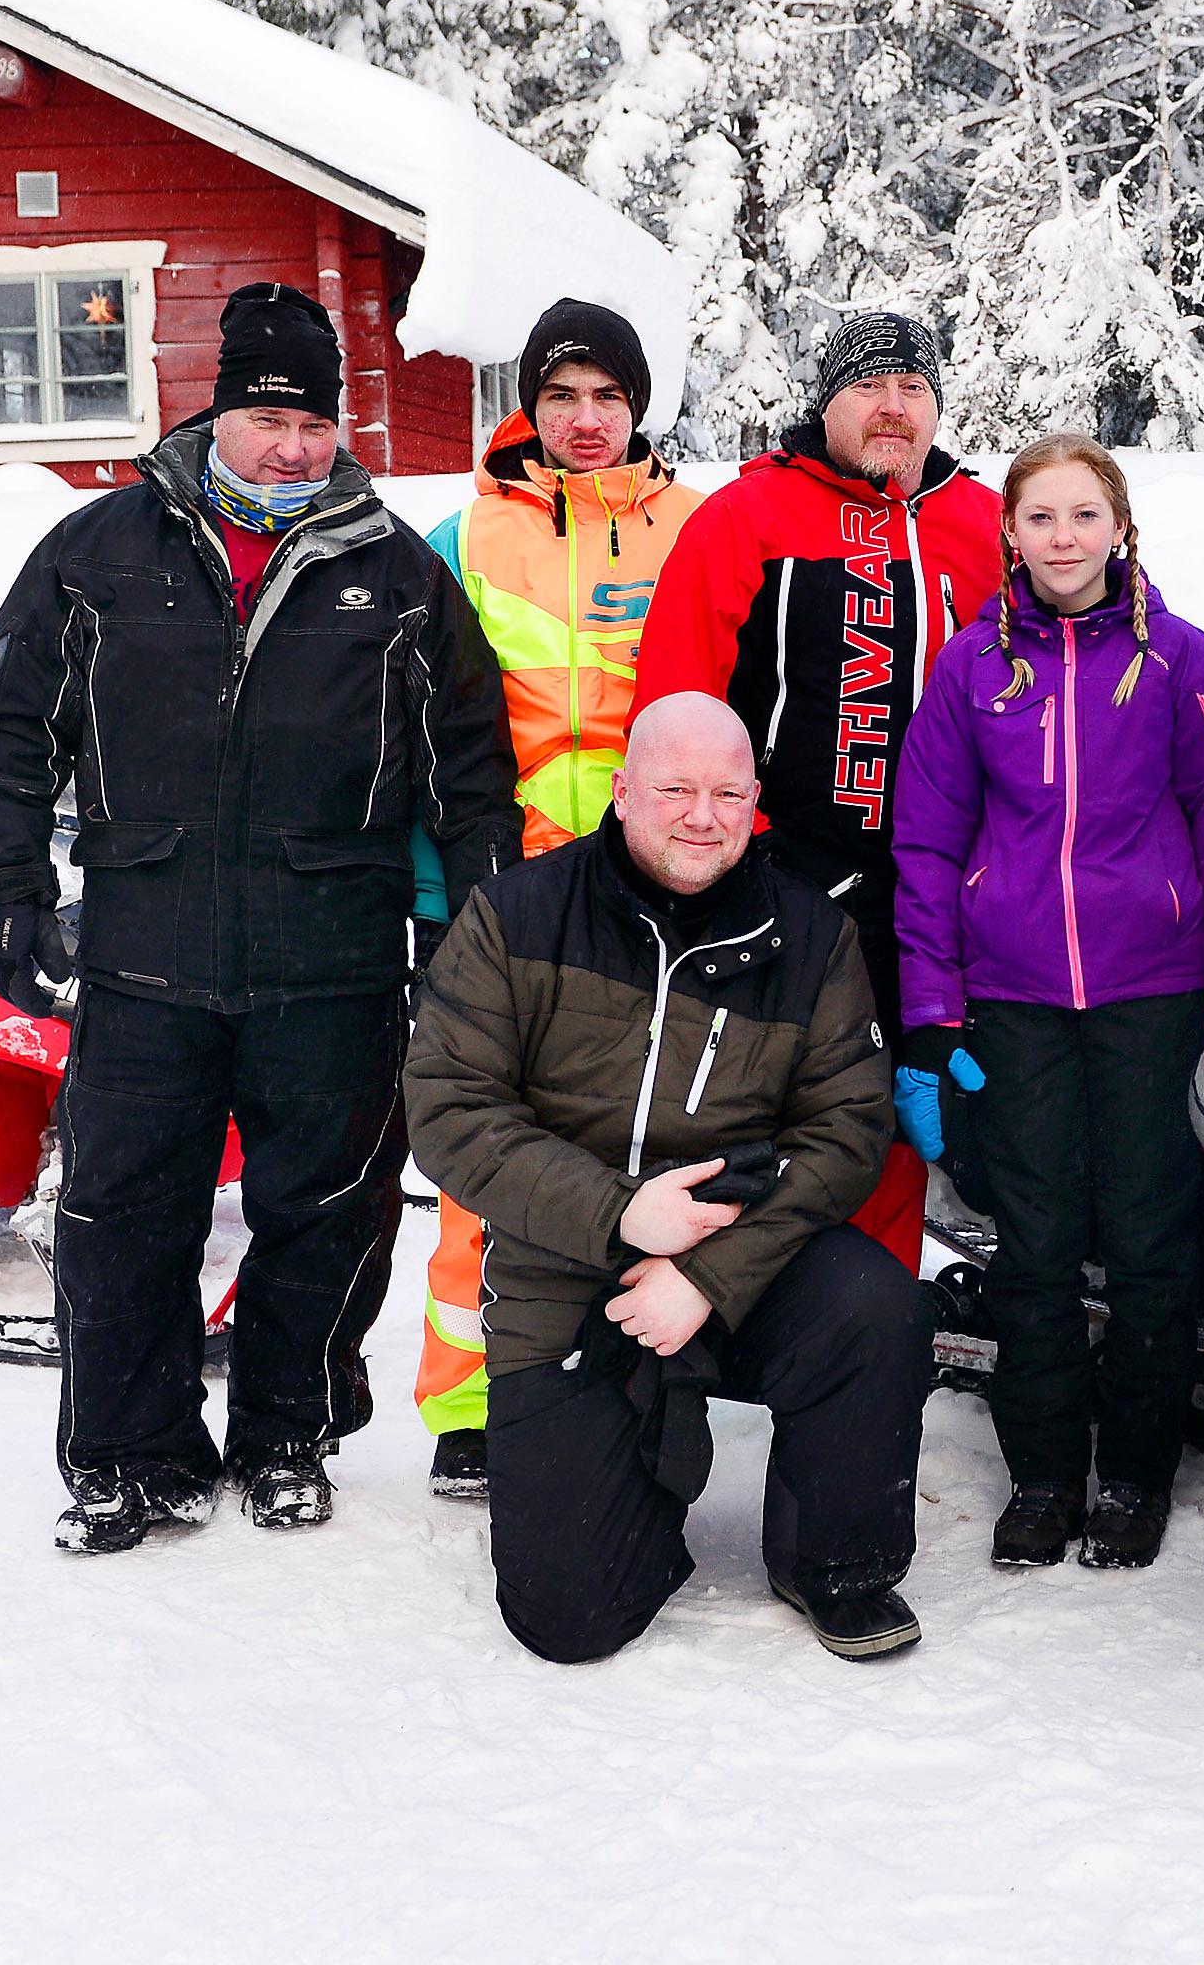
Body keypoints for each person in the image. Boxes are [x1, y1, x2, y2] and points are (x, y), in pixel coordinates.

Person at [0, 281, 521, 1555]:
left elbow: (470, 771)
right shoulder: (100, 551)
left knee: (328, 1212)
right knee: (121, 1213)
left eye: (312, 420)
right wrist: (6, 883)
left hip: (330, 957)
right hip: (147, 953)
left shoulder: (395, 574)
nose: (290, 443)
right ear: (217, 413)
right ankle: (126, 1450)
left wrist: (466, 937)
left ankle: (286, 1435)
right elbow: (10, 732)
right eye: (267, 415)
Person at [404, 692, 933, 1664]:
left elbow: (849, 1126)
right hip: (569, 1259)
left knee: (876, 1306)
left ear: (755, 800)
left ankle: (835, 1563)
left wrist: (708, 1275)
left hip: (736, 1248)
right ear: (622, 791)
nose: (702, 812)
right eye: (676, 788)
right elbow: (448, 1107)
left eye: (728, 791)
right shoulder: (517, 914)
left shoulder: (811, 939)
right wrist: (621, 1216)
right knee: (568, 1618)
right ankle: (632, 1471)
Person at [890, 433, 1204, 1571]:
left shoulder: (1178, 663)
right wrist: (930, 1014)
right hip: (1013, 1003)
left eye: (1083, 516)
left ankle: (1139, 1474)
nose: (1063, 538)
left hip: (1154, 996)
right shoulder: (969, 669)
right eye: (1041, 518)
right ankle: (1048, 1473)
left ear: (1119, 529)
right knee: (1038, 1247)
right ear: (1010, 532)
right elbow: (925, 843)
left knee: (1154, 1242)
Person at [409, 298, 710, 1501]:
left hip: (665, 887)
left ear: (640, 408)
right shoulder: (464, 538)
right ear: (527, 405)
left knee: (659, 1140)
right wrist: (442, 895)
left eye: (609, 397)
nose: (586, 421)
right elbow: (423, 735)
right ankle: (474, 1400)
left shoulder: (698, 528)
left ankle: (644, 1367)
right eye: (563, 396)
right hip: (513, 894)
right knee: (493, 1149)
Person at [631, 311, 1004, 1269]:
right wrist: (723, 853)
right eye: (868, 385)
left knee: (900, 1113)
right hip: (784, 879)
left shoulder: (982, 519)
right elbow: (678, 697)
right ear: (825, 400)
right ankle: (732, 1310)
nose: (891, 406)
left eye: (913, 388)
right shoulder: (750, 516)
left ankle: (868, 1333)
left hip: (945, 889)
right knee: (770, 1111)